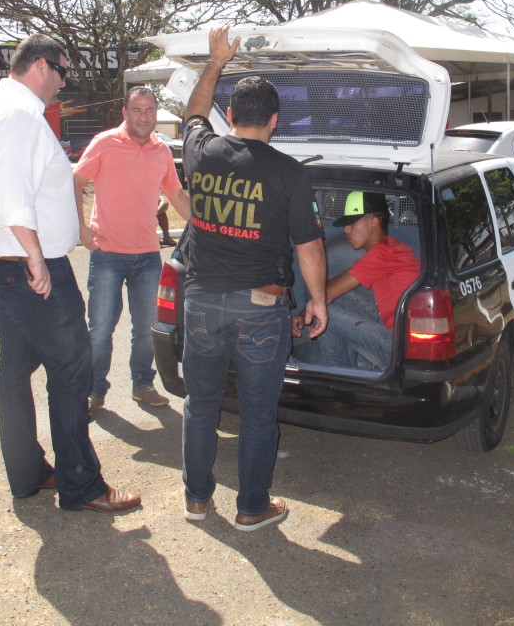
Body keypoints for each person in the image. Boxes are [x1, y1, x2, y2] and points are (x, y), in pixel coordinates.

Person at [0, 33, 139, 513]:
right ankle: (81, 484)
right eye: (62, 72)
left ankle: (28, 472)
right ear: (42, 66)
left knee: (15, 368)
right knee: (72, 368)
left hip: (3, 262)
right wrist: (38, 258)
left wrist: (69, 228)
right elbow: (13, 194)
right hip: (28, 266)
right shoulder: (19, 115)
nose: (63, 84)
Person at [178, 26, 327, 531]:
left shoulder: (202, 150)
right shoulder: (290, 172)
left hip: (200, 302)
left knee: (201, 405)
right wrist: (319, 302)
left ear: (233, 117)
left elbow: (193, 113)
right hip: (262, 308)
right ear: (275, 121)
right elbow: (308, 246)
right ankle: (251, 507)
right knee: (259, 414)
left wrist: (216, 62)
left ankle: (197, 499)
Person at [72, 87, 190, 412]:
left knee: (147, 329)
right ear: (124, 112)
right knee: (100, 329)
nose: (143, 116)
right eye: (137, 110)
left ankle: (142, 385)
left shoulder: (161, 151)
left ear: (156, 114)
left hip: (148, 256)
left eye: (150, 110)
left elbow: (177, 194)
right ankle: (94, 390)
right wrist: (80, 227)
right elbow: (75, 181)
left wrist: (205, 227)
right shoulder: (105, 142)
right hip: (108, 253)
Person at [292, 190, 420, 370]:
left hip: (399, 348)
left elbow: (326, 295)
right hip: (393, 333)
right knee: (329, 301)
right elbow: (334, 285)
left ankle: (339, 373)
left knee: (327, 311)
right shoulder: (389, 249)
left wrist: (301, 315)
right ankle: (345, 369)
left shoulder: (384, 254)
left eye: (352, 223)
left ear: (373, 222)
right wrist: (304, 311)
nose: (346, 229)